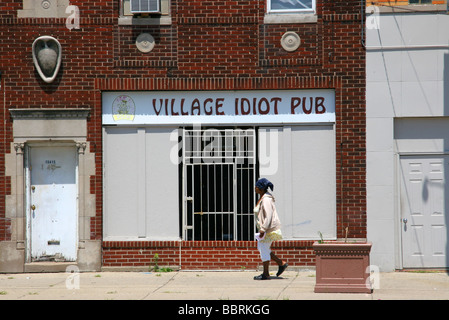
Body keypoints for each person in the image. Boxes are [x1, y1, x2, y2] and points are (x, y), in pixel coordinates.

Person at [253, 178, 288, 280]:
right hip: (265, 229)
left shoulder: (266, 200)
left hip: (267, 229)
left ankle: (266, 274)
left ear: (261, 188)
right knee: (262, 248)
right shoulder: (263, 198)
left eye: (256, 186)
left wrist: (263, 229)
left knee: (263, 249)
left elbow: (268, 215)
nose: (255, 188)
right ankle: (280, 263)